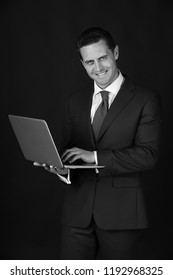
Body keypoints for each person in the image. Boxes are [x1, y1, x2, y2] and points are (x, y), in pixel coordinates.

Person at [35, 27, 162, 259]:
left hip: (122, 214)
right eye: (89, 62)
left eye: (102, 58)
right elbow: (68, 150)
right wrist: (60, 167)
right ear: (83, 64)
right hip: (77, 214)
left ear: (115, 52)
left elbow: (147, 155)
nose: (98, 68)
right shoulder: (75, 101)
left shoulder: (146, 99)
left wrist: (93, 157)